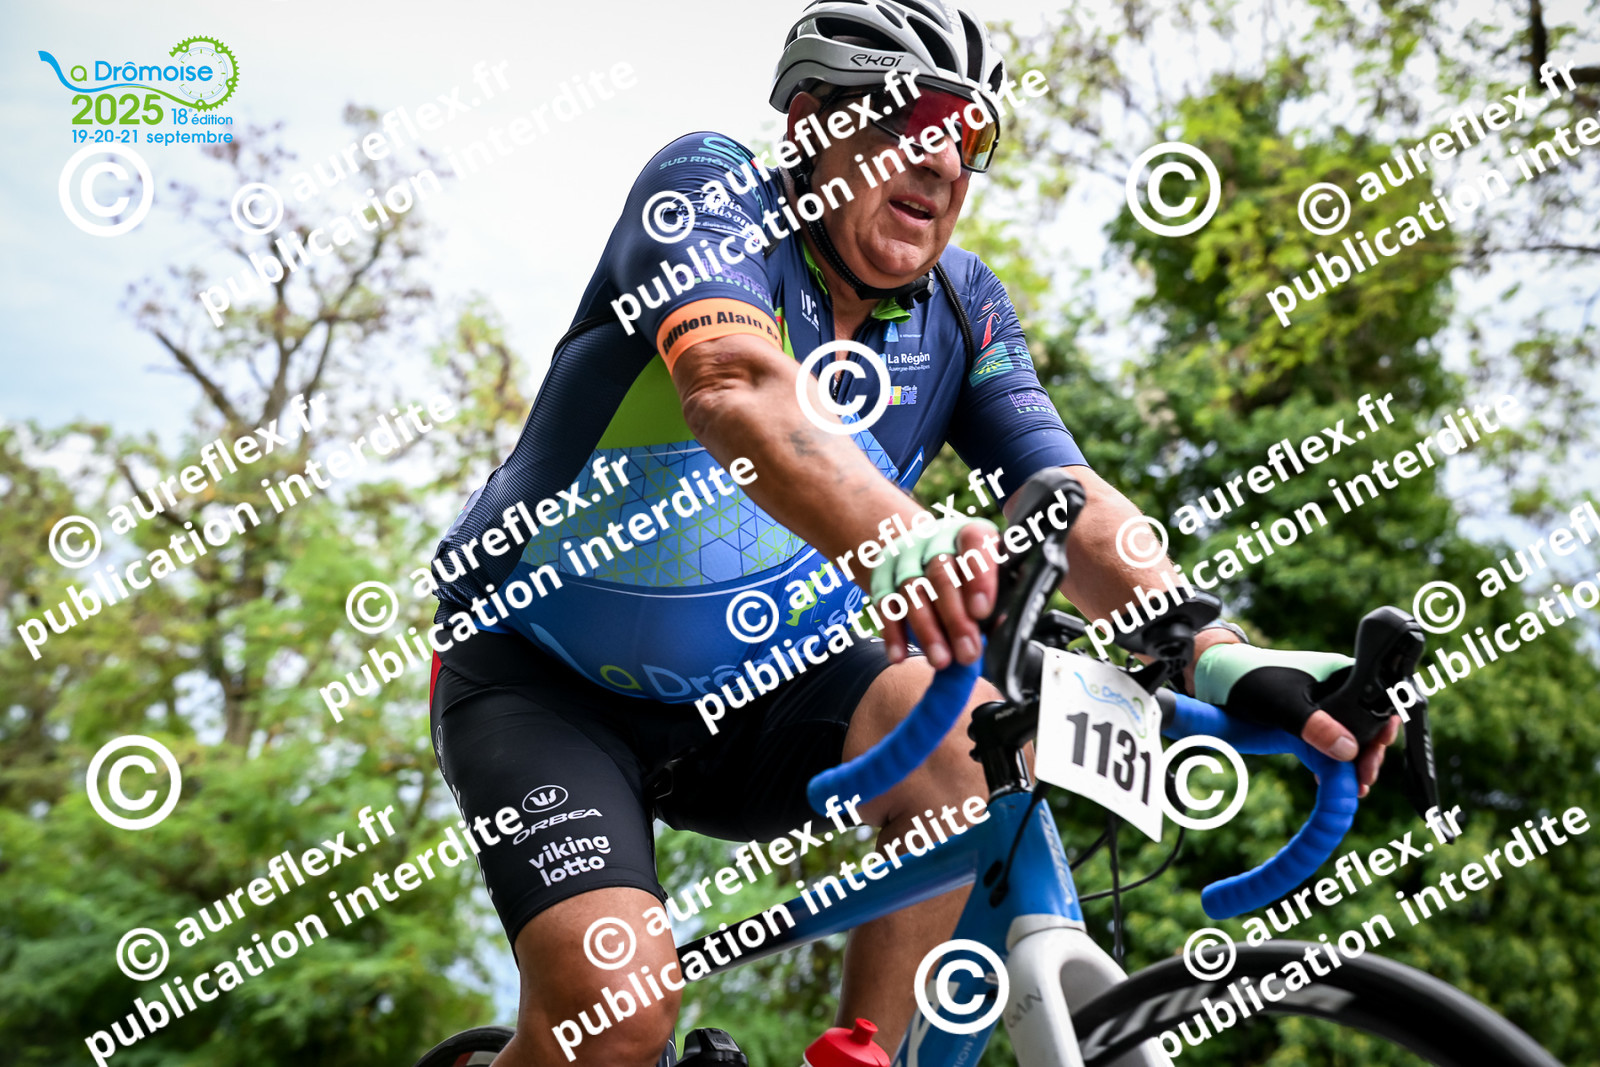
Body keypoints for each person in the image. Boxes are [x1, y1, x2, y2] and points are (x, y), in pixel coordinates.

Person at [424, 1, 1397, 1063]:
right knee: (614, 1014)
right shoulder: (711, 190)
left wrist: (1212, 650)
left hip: (766, 691)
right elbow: (733, 384)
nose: (940, 159)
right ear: (808, 123)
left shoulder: (964, 307)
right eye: (905, 118)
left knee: (970, 732)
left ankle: (865, 1054)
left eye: (968, 135)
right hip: (544, 677)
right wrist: (904, 540)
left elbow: (1066, 497)